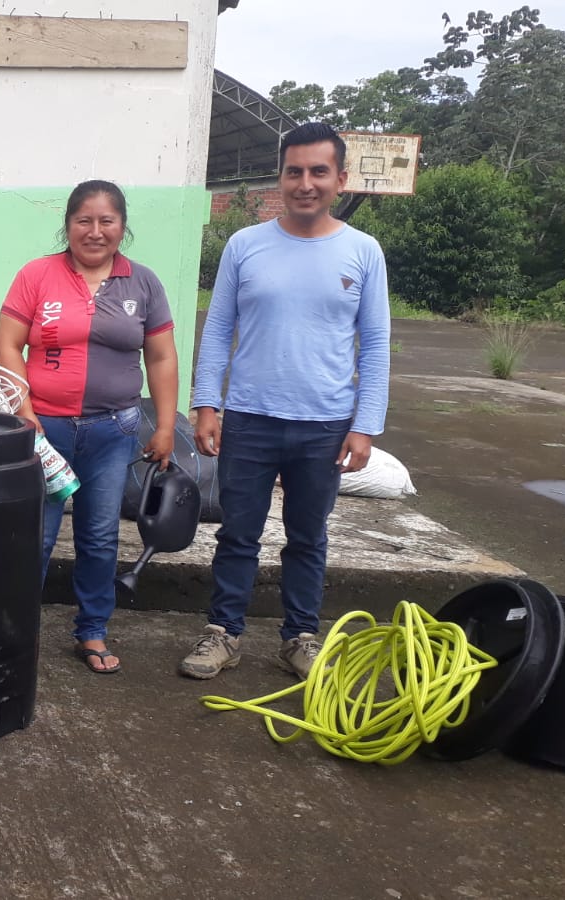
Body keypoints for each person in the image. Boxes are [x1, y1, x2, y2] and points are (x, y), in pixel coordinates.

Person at [179, 122, 391, 681]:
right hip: (250, 418)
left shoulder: (362, 251)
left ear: (340, 178)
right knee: (237, 534)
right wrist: (207, 405)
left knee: (308, 537)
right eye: (294, 171)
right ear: (280, 177)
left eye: (319, 171)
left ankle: (300, 636)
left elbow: (375, 343)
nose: (305, 183)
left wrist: (365, 425)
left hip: (325, 423)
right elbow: (218, 327)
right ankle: (223, 633)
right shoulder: (245, 245)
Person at [0, 180, 180, 675]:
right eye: (84, 220)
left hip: (112, 432)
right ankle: (16, 631)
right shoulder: (37, 275)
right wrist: (22, 407)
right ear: (69, 225)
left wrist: (165, 425)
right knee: (35, 534)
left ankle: (92, 629)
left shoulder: (143, 283)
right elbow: (8, 344)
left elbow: (161, 357)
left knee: (99, 536)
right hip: (44, 431)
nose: (95, 231)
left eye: (106, 221)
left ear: (122, 227)